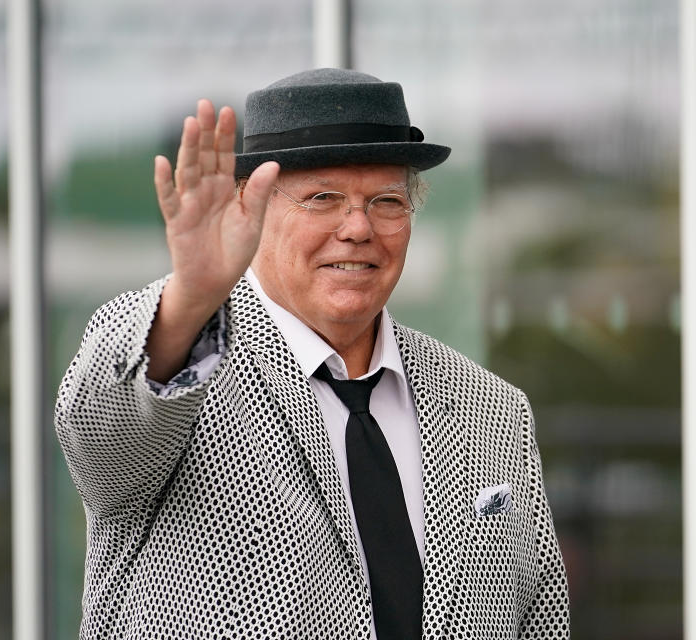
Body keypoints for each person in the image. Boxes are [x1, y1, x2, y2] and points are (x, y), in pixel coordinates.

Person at [56, 68, 570, 639]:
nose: (357, 227)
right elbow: (97, 433)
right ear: (250, 211)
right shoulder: (182, 361)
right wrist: (192, 299)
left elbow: (540, 616)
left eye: (386, 201)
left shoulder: (492, 410)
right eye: (322, 198)